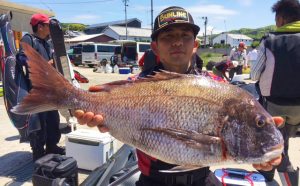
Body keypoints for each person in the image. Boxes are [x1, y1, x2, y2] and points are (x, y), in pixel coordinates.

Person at [75, 6, 283, 186]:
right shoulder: (134, 86)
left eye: (185, 36)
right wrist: (88, 108)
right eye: (168, 36)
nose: (177, 42)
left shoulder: (218, 87)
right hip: (152, 181)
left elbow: (241, 135)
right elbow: (99, 101)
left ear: (195, 45)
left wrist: (263, 149)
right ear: (155, 47)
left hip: (201, 179)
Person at [251, 0, 300, 185]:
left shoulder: (269, 41)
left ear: (280, 19)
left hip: (276, 105)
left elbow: (254, 74)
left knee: (276, 147)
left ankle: (271, 179)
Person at [18, 13, 65, 160]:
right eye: (47, 25)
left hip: (50, 89)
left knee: (53, 119)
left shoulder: (48, 43)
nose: (50, 28)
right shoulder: (29, 39)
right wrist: (46, 64)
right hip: (37, 89)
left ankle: (52, 146)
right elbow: (21, 58)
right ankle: (38, 152)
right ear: (40, 26)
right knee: (38, 122)